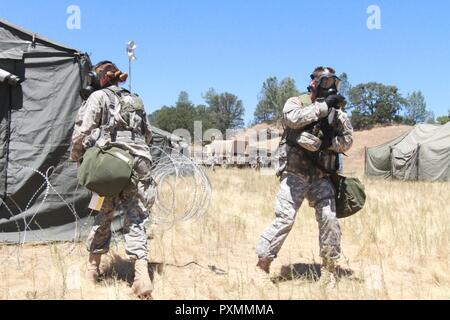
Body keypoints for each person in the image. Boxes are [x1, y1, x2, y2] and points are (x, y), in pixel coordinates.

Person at [255, 67, 354, 288]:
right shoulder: (296, 103)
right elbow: (292, 119)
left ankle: (328, 271)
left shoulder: (338, 113)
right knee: (285, 218)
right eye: (325, 82)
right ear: (313, 83)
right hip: (294, 174)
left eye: (334, 83)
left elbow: (347, 141)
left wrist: (329, 143)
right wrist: (322, 108)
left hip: (321, 176)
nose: (330, 87)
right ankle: (262, 265)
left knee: (329, 219)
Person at [71, 61, 155, 299]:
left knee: (103, 213)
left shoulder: (99, 97)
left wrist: (76, 157)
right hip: (139, 163)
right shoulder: (136, 99)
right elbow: (147, 135)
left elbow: (83, 132)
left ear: (103, 78)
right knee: (135, 218)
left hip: (110, 165)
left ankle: (92, 270)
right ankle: (141, 276)